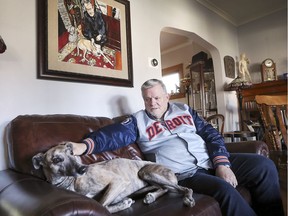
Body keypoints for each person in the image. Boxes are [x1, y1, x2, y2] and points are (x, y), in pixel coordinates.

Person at [71, 79, 284, 216]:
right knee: (224, 190)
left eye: (156, 98)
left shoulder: (185, 110)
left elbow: (211, 134)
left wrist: (222, 163)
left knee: (264, 166)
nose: (152, 103)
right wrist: (84, 146)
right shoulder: (136, 121)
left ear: (167, 97)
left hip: (208, 160)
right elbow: (113, 135)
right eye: (147, 99)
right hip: (183, 174)